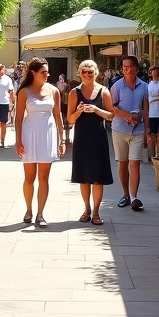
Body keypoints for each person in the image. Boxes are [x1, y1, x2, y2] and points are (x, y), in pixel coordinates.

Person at [14, 57, 65, 228]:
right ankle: (28, 209)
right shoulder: (24, 92)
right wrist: (18, 141)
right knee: (29, 177)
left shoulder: (54, 91)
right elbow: (18, 118)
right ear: (33, 73)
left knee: (44, 177)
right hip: (29, 135)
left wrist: (62, 139)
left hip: (48, 135)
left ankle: (40, 213)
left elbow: (58, 116)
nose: (47, 75)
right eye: (43, 72)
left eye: (48, 71)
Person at [68, 59, 114, 225]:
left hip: (98, 136)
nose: (87, 75)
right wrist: (79, 111)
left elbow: (111, 115)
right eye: (84, 72)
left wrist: (96, 109)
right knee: (84, 176)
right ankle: (86, 209)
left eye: (90, 72)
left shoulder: (104, 91)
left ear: (96, 73)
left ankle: (96, 212)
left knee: (98, 177)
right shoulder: (74, 92)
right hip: (82, 137)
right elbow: (70, 119)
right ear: (79, 73)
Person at [110, 55, 149, 211]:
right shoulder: (116, 86)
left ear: (136, 69)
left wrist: (147, 130)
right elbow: (111, 108)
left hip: (138, 129)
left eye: (130, 66)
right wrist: (127, 116)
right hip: (119, 129)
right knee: (123, 163)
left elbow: (146, 110)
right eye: (124, 67)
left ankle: (134, 197)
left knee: (135, 163)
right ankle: (125, 194)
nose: (126, 69)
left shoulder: (145, 87)